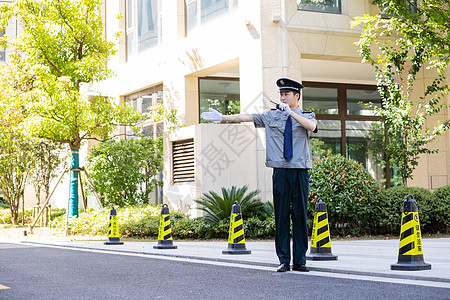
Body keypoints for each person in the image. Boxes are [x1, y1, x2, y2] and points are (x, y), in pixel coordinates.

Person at [201, 78, 317, 272]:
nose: (283, 97)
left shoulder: (307, 115)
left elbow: (311, 127)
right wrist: (222, 117)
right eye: (281, 94)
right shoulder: (271, 116)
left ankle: (300, 261)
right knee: (281, 216)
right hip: (280, 170)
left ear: (297, 96)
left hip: (300, 171)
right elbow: (246, 117)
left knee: (299, 215)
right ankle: (283, 259)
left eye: (286, 94)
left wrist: (292, 115)